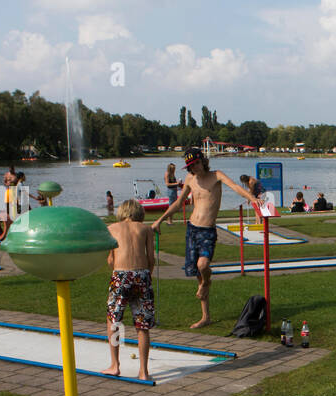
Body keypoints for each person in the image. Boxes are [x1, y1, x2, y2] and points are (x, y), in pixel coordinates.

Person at [153, 146, 258, 329]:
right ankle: (205, 316)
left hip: (208, 230)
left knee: (203, 266)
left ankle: (207, 282)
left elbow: (234, 186)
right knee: (198, 276)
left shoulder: (216, 175)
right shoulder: (190, 179)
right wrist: (160, 220)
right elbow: (179, 202)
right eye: (190, 167)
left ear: (203, 161)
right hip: (192, 229)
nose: (194, 169)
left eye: (195, 165)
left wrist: (253, 198)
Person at [103, 200, 156, 381]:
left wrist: (117, 270)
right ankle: (143, 371)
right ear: (139, 213)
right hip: (142, 275)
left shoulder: (112, 228)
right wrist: (145, 275)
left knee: (114, 320)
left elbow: (111, 259)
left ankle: (115, 364)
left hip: (121, 274)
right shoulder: (146, 229)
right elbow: (151, 258)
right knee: (142, 325)